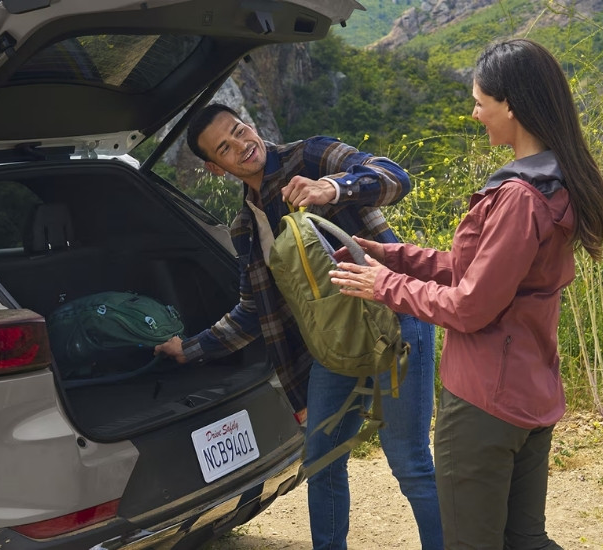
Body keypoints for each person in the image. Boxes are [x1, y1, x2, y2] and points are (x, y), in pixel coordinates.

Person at [329, 38, 603, 549]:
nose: (475, 113)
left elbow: (471, 306)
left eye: (480, 102)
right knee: (524, 540)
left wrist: (382, 285)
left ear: (511, 106)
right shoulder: (557, 181)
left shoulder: (518, 198)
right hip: (531, 389)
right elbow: (477, 272)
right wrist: (394, 256)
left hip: (485, 401)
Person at [155, 103, 443, 549]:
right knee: (321, 459)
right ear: (216, 167)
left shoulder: (308, 158)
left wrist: (332, 189)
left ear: (250, 124)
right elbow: (254, 312)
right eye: (225, 148)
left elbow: (393, 177)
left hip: (392, 320)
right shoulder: (245, 227)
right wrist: (188, 350)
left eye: (239, 130)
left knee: (409, 461)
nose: (242, 146)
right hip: (335, 348)